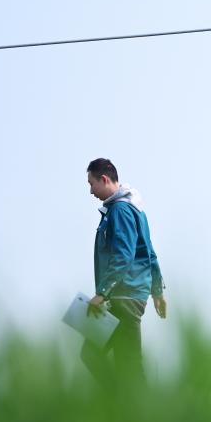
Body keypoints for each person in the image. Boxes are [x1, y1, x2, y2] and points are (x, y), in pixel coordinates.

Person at [82, 157, 166, 391]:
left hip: (124, 297)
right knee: (117, 361)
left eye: (91, 184)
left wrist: (102, 292)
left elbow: (123, 255)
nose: (91, 191)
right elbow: (150, 253)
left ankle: (124, 404)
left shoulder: (120, 210)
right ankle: (121, 402)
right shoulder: (134, 208)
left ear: (104, 179)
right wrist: (157, 292)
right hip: (129, 295)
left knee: (123, 364)